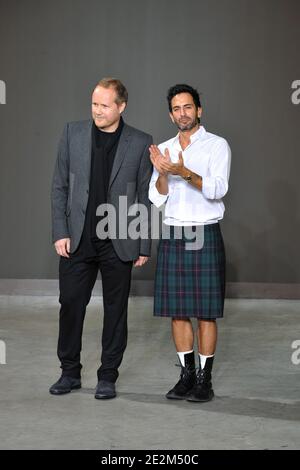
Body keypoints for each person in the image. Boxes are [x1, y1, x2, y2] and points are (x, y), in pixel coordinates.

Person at [50, 78, 152, 399]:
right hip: (78, 239)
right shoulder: (72, 133)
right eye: (94, 103)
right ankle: (69, 372)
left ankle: (108, 375)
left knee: (115, 309)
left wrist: (143, 242)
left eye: (104, 105)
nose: (97, 110)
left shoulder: (140, 142)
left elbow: (145, 198)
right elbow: (59, 186)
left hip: (118, 238)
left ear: (121, 106)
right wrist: (60, 231)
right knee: (70, 304)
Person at [149, 84, 231, 402]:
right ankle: (185, 376)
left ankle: (204, 380)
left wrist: (182, 171)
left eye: (188, 107)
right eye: (176, 109)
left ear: (199, 110)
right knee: (178, 312)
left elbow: (217, 188)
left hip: (205, 231)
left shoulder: (216, 145)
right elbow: (155, 196)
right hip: (173, 232)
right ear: (171, 115)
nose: (182, 113)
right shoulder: (166, 149)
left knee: (205, 313)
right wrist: (162, 173)